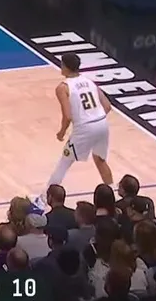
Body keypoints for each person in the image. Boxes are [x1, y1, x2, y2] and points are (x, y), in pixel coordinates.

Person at [42, 52, 115, 197]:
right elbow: (107, 106)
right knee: (100, 160)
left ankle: (43, 199)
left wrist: (62, 132)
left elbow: (68, 116)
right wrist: (94, 118)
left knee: (64, 163)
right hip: (102, 123)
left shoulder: (63, 87)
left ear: (65, 66)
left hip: (85, 128)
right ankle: (114, 194)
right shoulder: (89, 81)